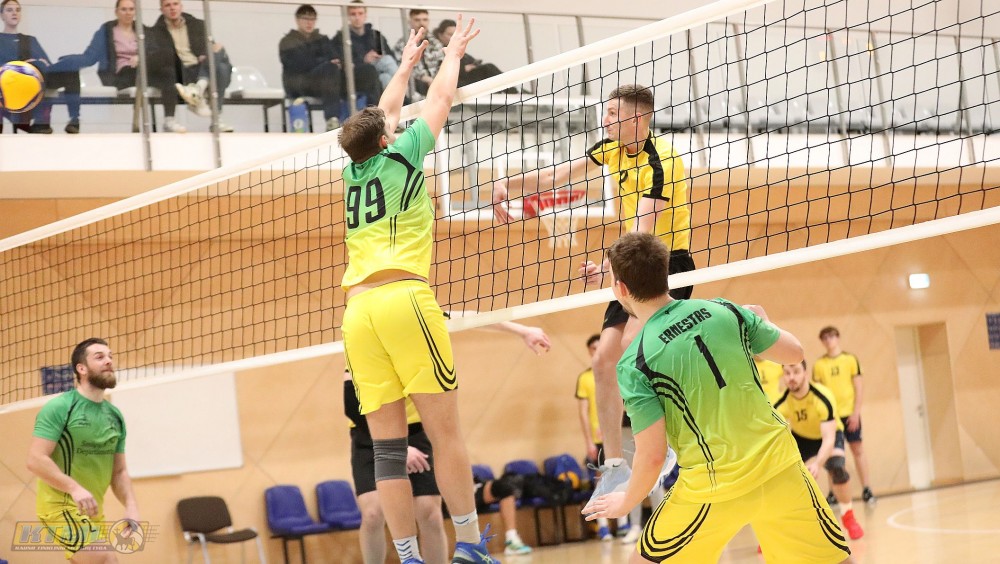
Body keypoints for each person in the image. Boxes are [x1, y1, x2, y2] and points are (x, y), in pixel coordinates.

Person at [583, 232, 852, 564]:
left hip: (711, 489)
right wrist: (765, 322)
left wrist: (625, 501)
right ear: (666, 273)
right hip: (780, 469)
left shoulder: (635, 362)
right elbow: (794, 353)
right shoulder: (725, 310)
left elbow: (652, 457)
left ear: (620, 289)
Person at [337, 16, 495, 564]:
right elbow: (442, 98)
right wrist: (450, 54)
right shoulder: (404, 154)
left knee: (386, 450)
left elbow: (383, 113)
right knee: (445, 434)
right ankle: (470, 546)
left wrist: (403, 67)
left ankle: (407, 557)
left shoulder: (352, 173)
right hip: (404, 298)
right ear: (386, 139)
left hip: (357, 313)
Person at [493, 84, 694, 506]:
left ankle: (671, 442)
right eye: (606, 112)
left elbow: (642, 230)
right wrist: (506, 183)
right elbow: (554, 176)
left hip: (664, 264)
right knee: (603, 361)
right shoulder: (611, 150)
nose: (605, 120)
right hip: (630, 264)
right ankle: (615, 465)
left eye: (613, 114)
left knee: (634, 355)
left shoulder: (663, 162)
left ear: (638, 118)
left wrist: (606, 266)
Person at [346, 320, 549, 562]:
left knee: (429, 513)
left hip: (417, 430)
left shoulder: (414, 315)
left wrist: (523, 331)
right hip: (370, 431)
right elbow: (351, 404)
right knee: (373, 514)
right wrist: (399, 448)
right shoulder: (365, 328)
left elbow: (463, 316)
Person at [26, 338, 141, 562]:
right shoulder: (61, 407)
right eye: (99, 357)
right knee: (106, 558)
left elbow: (119, 472)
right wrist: (74, 488)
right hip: (60, 507)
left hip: (92, 511)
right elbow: (35, 459)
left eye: (110, 356)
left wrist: (131, 506)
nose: (108, 361)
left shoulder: (114, 416)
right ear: (81, 368)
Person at [54, 0, 184, 133]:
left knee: (168, 72)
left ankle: (169, 120)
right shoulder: (107, 30)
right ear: (116, 12)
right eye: (124, 9)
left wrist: (141, 58)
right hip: (122, 74)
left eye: (131, 9)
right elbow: (90, 56)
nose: (128, 13)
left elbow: (156, 52)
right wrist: (69, 61)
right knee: (154, 65)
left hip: (144, 71)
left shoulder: (143, 30)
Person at [775, 360, 865, 540]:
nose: (791, 377)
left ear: (805, 373)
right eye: (787, 373)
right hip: (802, 437)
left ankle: (849, 517)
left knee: (837, 469)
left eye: (796, 372)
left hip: (829, 435)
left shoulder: (823, 397)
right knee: (781, 478)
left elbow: (829, 439)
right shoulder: (781, 403)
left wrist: (817, 464)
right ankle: (781, 530)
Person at [813, 326, 876, 505]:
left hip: (849, 414)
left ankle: (867, 489)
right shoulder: (819, 365)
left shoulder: (850, 360)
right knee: (831, 453)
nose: (828, 340)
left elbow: (859, 387)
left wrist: (856, 413)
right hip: (831, 417)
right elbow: (817, 393)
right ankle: (833, 493)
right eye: (824, 338)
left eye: (831, 336)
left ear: (838, 337)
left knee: (857, 450)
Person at [0, 0, 81, 134]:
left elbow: (46, 63)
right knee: (34, 65)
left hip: (40, 75)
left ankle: (74, 119)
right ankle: (40, 122)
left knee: (71, 65)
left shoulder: (30, 39)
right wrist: (28, 64)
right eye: (9, 10)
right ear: (2, 15)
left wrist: (40, 62)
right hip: (15, 80)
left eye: (17, 10)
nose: (14, 13)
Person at [154, 0, 234, 132]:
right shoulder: (156, 31)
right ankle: (216, 117)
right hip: (179, 71)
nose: (172, 8)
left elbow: (210, 48)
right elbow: (158, 57)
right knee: (221, 68)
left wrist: (204, 54)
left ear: (181, 7)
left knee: (220, 59)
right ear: (162, 10)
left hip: (200, 68)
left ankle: (198, 89)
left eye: (175, 4)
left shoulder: (198, 25)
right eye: (168, 5)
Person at [279, 4, 346, 132]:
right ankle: (332, 118)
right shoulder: (287, 42)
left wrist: (325, 63)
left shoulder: (323, 40)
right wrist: (323, 61)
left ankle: (336, 120)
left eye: (312, 19)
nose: (309, 23)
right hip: (297, 84)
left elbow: (336, 59)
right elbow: (298, 64)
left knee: (334, 71)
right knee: (329, 69)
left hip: (321, 82)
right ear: (297, 20)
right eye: (305, 19)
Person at [333, 0, 397, 91]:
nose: (357, 17)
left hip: (380, 71)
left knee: (385, 76)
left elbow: (390, 55)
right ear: (348, 16)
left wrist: (379, 56)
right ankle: (408, 92)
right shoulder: (341, 38)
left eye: (360, 13)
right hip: (359, 74)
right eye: (353, 14)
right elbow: (343, 62)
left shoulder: (375, 35)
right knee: (387, 61)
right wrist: (364, 59)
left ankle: (403, 95)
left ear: (365, 15)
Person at [432, 19, 512, 92]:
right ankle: (512, 91)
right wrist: (464, 69)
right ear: (440, 35)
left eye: (455, 35)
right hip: (455, 83)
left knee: (488, 70)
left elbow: (472, 61)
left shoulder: (459, 50)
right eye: (450, 34)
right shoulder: (437, 51)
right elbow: (441, 71)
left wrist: (473, 65)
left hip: (467, 79)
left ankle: (511, 90)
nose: (453, 38)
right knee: (488, 68)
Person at [392, 9, 440, 99]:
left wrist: (437, 79)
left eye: (425, 20)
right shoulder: (403, 44)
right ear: (410, 22)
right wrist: (425, 78)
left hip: (436, 83)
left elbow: (442, 62)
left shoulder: (435, 42)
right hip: (416, 84)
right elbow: (402, 68)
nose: (422, 23)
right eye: (417, 20)